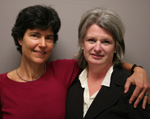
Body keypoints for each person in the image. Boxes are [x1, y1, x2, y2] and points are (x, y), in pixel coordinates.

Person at [0, 5, 149, 119]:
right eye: (35, 35)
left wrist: (138, 70)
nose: (43, 44)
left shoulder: (62, 71)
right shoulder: (2, 85)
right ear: (20, 39)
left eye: (49, 38)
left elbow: (101, 61)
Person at [66, 7, 150, 119]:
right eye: (91, 40)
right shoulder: (71, 82)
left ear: (115, 47)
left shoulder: (132, 89)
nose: (97, 48)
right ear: (82, 43)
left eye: (106, 42)